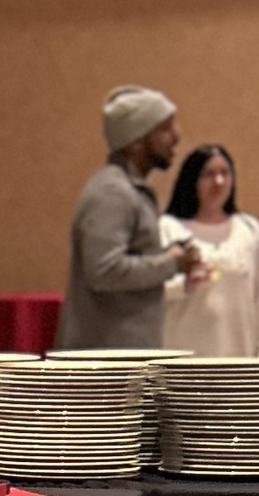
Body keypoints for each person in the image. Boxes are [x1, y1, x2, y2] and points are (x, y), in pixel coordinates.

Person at [58, 86, 206, 349]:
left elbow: (126, 260)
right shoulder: (112, 193)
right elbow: (105, 271)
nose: (177, 136)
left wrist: (170, 254)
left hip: (124, 357)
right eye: (165, 128)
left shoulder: (128, 191)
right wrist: (171, 264)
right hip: (106, 362)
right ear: (135, 141)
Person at [161, 143, 259, 357]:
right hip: (184, 360)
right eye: (209, 174)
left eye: (225, 173)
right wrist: (182, 285)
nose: (218, 182)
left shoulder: (249, 230)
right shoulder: (169, 229)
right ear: (192, 180)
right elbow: (150, 291)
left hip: (240, 359)